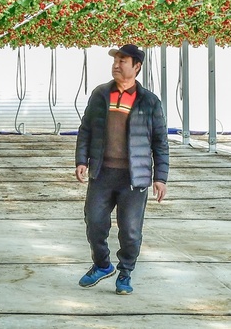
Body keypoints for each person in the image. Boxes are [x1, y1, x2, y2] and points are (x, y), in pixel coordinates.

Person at [75, 44, 169, 295]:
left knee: (129, 230)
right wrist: (81, 160)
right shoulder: (100, 94)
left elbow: (160, 142)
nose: (116, 65)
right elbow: (86, 129)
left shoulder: (149, 102)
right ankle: (103, 265)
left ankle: (125, 272)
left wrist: (160, 177)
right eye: (115, 60)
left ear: (136, 66)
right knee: (94, 222)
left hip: (133, 178)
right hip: (102, 173)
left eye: (122, 61)